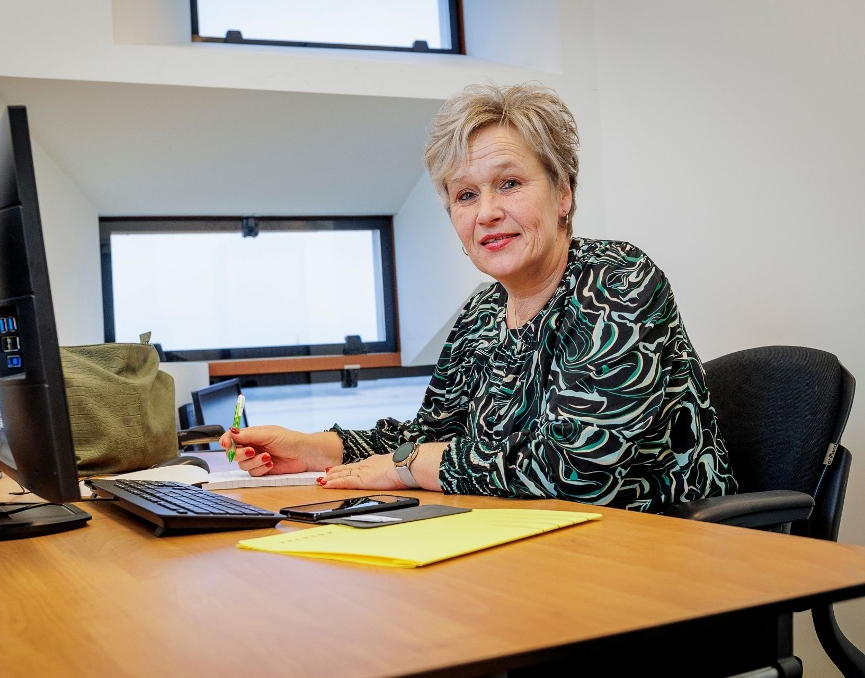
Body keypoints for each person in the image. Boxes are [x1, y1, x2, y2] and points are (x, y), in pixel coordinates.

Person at [220, 83, 737, 511]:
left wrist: (409, 466)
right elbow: (426, 433)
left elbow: (575, 470)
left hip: (662, 557)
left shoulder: (616, 280)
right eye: (465, 195)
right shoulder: (482, 312)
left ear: (563, 194)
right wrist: (312, 450)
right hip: (538, 547)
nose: (485, 211)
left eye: (508, 183)